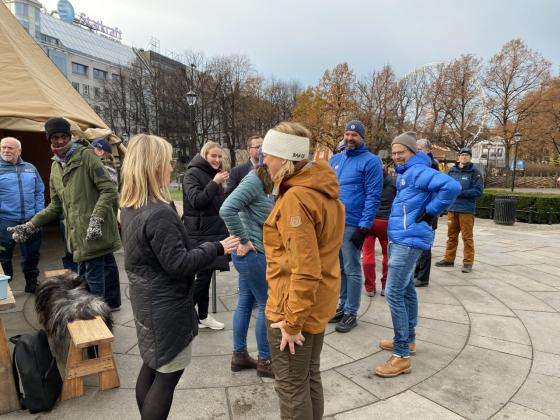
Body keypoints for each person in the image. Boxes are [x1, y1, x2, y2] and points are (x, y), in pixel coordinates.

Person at [119, 134, 239, 420]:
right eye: (168, 160)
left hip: (147, 300)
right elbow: (179, 263)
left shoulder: (131, 205)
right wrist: (217, 246)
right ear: (154, 165)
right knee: (166, 377)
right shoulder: (158, 211)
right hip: (166, 307)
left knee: (151, 365)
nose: (172, 166)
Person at [262, 122, 345, 420]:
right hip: (315, 303)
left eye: (268, 154)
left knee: (292, 387)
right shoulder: (323, 191)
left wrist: (292, 322)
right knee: (309, 377)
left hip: (292, 310)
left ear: (284, 158)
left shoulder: (297, 197)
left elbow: (305, 268)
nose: (264, 161)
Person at [9, 117, 122, 309]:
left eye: (63, 136)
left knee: (93, 281)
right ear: (49, 140)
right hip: (75, 234)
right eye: (55, 138)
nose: (60, 141)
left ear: (70, 136)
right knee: (85, 278)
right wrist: (31, 225)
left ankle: (98, 323)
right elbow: (55, 205)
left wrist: (96, 218)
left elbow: (109, 190)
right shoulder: (55, 166)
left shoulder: (87, 156)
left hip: (93, 232)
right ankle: (98, 317)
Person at [375, 132, 460, 378]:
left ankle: (401, 355)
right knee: (407, 290)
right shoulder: (407, 172)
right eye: (394, 152)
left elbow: (451, 186)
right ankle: (408, 341)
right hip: (402, 237)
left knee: (393, 292)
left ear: (413, 152)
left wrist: (431, 211)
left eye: (401, 151)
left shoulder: (417, 170)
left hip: (409, 240)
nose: (397, 156)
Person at [220, 147, 274, 378]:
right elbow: (227, 209)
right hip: (252, 254)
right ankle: (265, 360)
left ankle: (239, 356)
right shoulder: (254, 179)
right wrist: (244, 239)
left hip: (250, 255)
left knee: (245, 302)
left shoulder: (265, 180)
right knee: (266, 304)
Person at [329, 120, 383, 333]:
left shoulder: (371, 162)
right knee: (339, 268)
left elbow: (373, 195)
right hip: (334, 222)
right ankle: (343, 305)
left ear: (362, 137)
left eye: (355, 135)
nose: (350, 138)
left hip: (353, 223)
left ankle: (352, 311)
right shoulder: (335, 159)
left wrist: (364, 226)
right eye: (347, 134)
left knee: (352, 269)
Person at [182, 141, 230, 330]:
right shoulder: (192, 173)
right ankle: (185, 312)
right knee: (202, 278)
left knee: (205, 276)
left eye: (219, 156)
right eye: (213, 156)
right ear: (204, 155)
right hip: (199, 233)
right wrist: (215, 183)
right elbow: (197, 201)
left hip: (213, 231)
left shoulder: (213, 174)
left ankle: (201, 316)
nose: (217, 160)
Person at [0, 137, 44, 293]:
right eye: (3, 147)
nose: (6, 150)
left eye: (10, 148)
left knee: (32, 255)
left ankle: (32, 284)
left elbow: (39, 190)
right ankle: (5, 288)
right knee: (3, 257)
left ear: (19, 150)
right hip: (5, 222)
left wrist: (39, 213)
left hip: (30, 221)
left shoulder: (30, 168)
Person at [436, 147, 484, 273]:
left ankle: (468, 262)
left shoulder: (475, 172)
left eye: (467, 155)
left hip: (466, 210)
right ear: (459, 157)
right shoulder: (452, 171)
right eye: (462, 155)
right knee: (451, 236)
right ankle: (448, 259)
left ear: (470, 157)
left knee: (467, 237)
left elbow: (478, 191)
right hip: (452, 208)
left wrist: (460, 192)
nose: (464, 157)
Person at [362, 168, 396, 297]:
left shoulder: (367, 183)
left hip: (368, 222)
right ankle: (385, 286)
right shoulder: (394, 182)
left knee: (367, 254)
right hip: (386, 222)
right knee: (388, 255)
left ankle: (370, 287)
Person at [414, 138, 440, 287]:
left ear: (428, 150)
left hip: (428, 212)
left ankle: (423, 277)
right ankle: (416, 273)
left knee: (425, 246)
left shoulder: (432, 165)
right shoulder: (419, 164)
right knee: (418, 244)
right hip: (420, 210)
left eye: (419, 149)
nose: (416, 151)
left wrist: (432, 211)